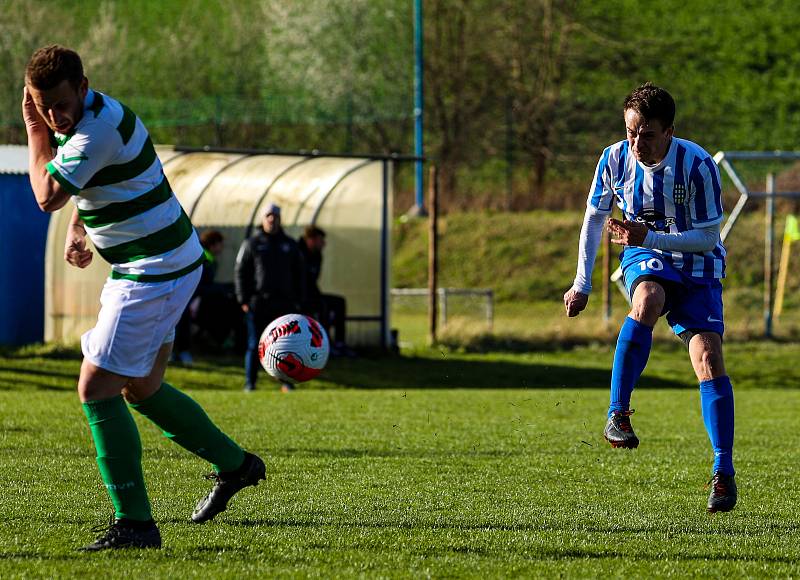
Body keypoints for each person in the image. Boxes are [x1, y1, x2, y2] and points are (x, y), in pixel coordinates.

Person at [22, 45, 265, 551]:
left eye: (60, 104)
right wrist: (80, 228)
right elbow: (89, 184)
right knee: (143, 388)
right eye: (43, 106)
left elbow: (46, 193)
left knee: (96, 388)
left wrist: (33, 131)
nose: (54, 115)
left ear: (83, 88)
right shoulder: (92, 119)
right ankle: (236, 465)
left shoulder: (96, 129)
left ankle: (135, 524)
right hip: (166, 263)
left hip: (152, 272)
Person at [563, 82, 737, 513]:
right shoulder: (614, 159)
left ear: (669, 131)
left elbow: (707, 238)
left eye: (648, 134)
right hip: (647, 252)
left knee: (708, 359)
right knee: (647, 300)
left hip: (697, 263)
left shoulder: (697, 166)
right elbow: (593, 219)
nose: (637, 143)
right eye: (630, 131)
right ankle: (617, 414)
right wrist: (582, 283)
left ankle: (723, 471)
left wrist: (650, 233)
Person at [234, 203, 306, 392]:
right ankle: (250, 383)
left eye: (275, 216)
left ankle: (286, 382)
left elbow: (300, 273)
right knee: (254, 344)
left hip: (284, 303)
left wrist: (299, 299)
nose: (272, 219)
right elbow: (241, 272)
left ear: (281, 219)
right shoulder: (252, 244)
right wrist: (243, 299)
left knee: (285, 345)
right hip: (259, 303)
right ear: (263, 219)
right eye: (268, 216)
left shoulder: (290, 245)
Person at [298, 225, 354, 357]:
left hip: (312, 294)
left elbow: (312, 281)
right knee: (322, 307)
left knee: (339, 302)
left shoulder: (317, 255)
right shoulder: (296, 252)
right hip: (297, 297)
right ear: (311, 240)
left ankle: (339, 343)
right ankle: (325, 344)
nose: (324, 244)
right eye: (320, 240)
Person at [173, 229, 225, 365]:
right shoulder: (203, 259)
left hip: (191, 299)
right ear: (213, 244)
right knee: (181, 325)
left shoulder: (208, 259)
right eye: (221, 244)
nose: (222, 248)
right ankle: (179, 353)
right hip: (186, 298)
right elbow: (199, 285)